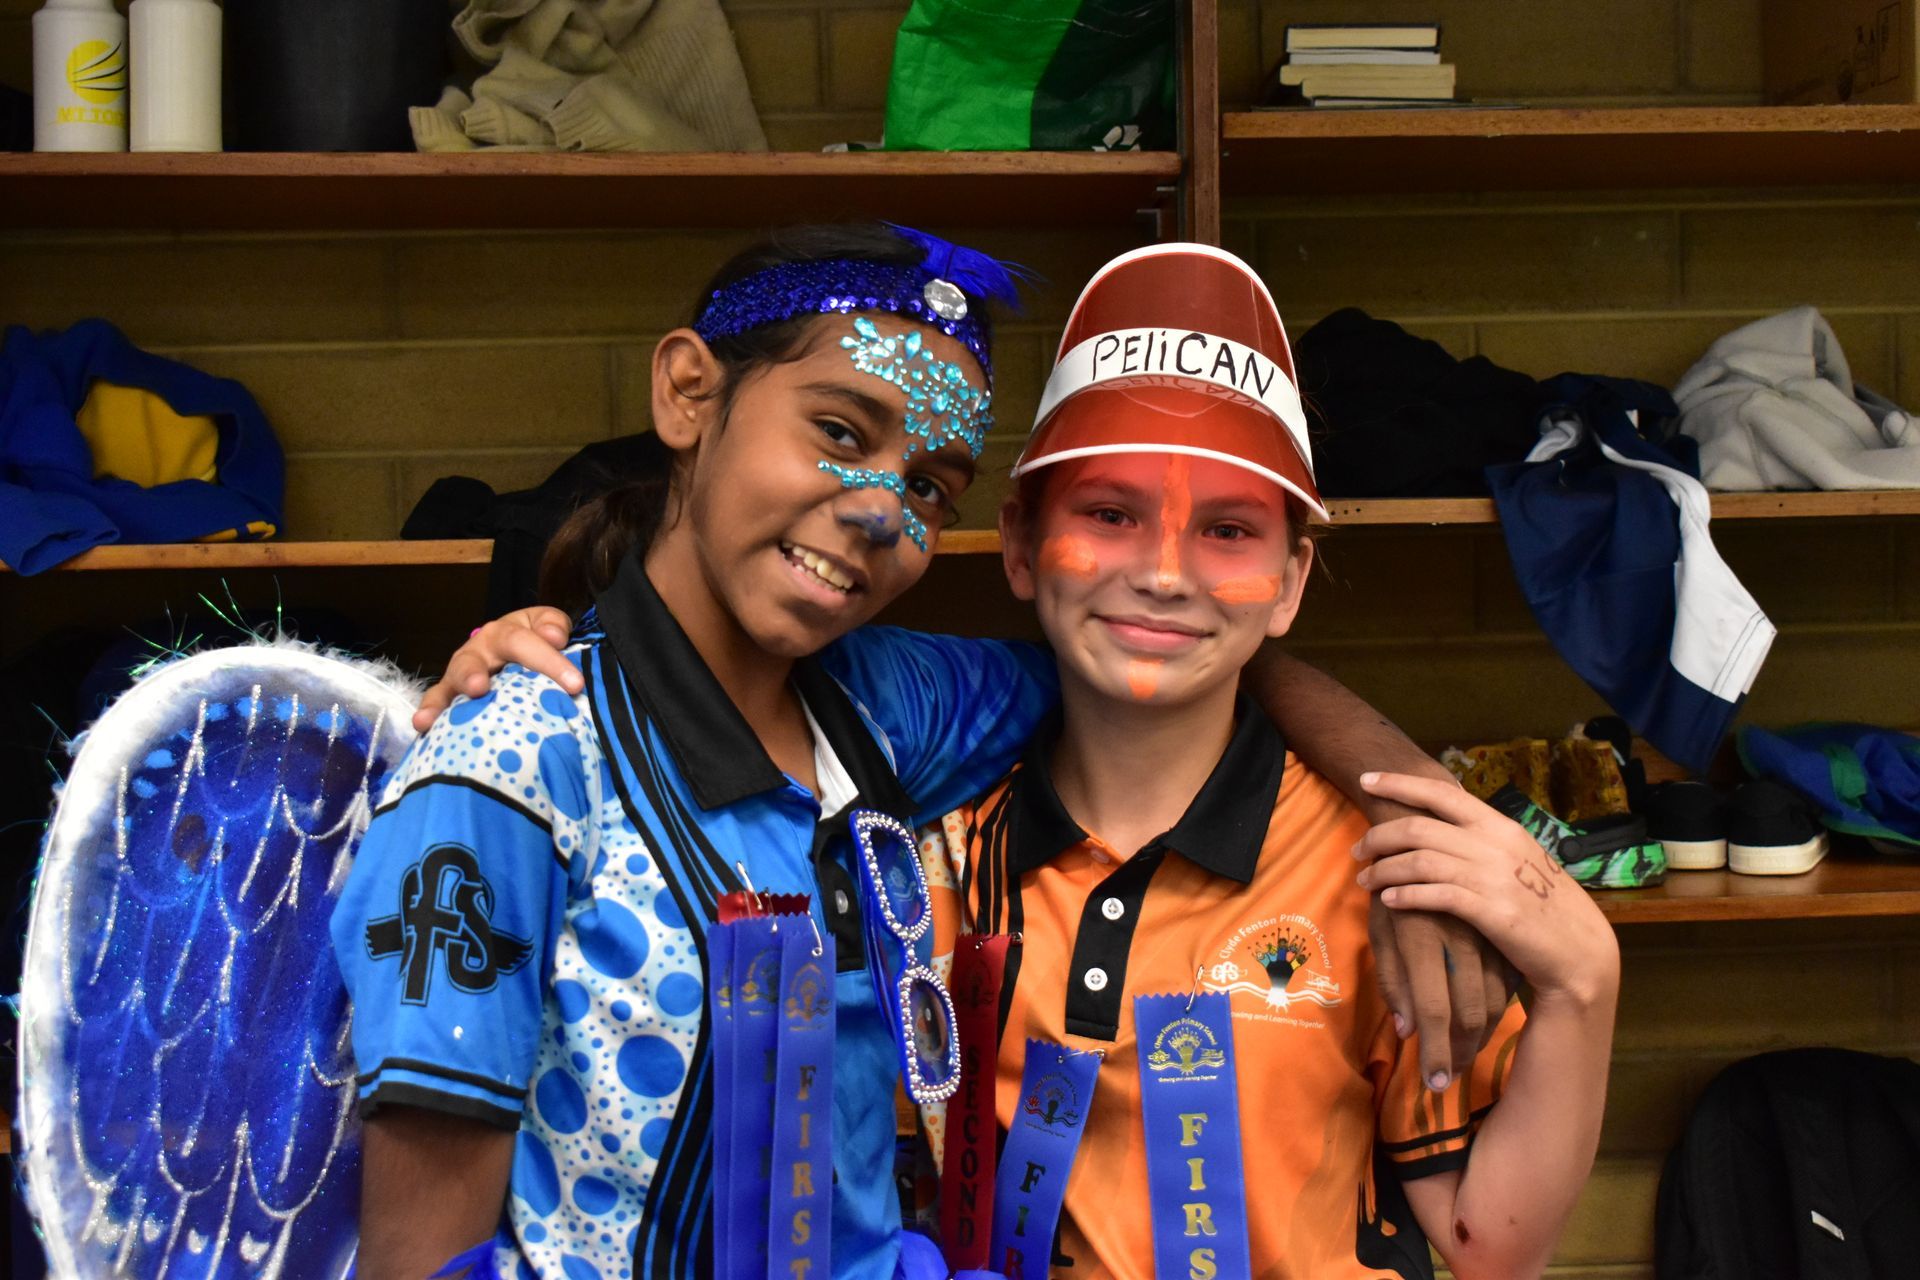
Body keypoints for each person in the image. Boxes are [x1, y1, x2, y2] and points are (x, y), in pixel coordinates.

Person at [363, 223, 1504, 1280]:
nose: (876, 510)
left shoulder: (879, 707)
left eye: (926, 486)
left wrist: (1409, 818)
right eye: (840, 432)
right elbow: (422, 1251)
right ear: (688, 391)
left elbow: (1173, 644)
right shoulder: (510, 768)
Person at [912, 243, 1617, 1278]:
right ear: (1019, 542)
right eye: (1109, 514)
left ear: (1291, 583)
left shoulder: (1377, 871)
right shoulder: (940, 854)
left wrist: (1587, 986)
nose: (1161, 572)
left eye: (1229, 530)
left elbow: (1489, 1240)